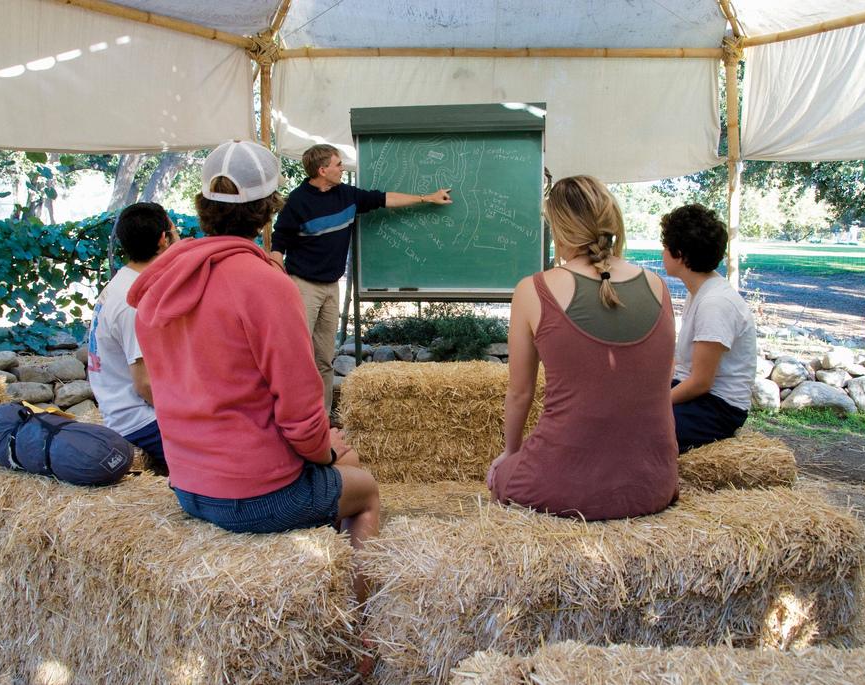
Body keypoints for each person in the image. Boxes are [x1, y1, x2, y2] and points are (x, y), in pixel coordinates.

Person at [127, 140, 380, 603]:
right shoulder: (265, 283)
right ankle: (363, 626)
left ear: (203, 205)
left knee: (340, 461)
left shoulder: (162, 282)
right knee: (362, 486)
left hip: (187, 483)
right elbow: (302, 418)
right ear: (269, 210)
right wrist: (325, 450)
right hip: (254, 494)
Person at [487, 175, 678, 521]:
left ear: (559, 232)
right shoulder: (658, 287)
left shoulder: (533, 289)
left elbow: (519, 392)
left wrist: (510, 454)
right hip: (654, 485)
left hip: (563, 488)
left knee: (500, 476)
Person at [270, 143, 453, 414]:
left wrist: (427, 197)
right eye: (338, 164)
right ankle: (291, 415)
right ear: (322, 170)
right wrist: (281, 282)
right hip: (303, 286)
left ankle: (322, 420)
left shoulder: (347, 195)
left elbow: (385, 198)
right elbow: (277, 245)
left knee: (324, 359)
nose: (343, 168)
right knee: (296, 356)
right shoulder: (297, 202)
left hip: (331, 286)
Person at [86, 202, 177, 472]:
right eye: (176, 231)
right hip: (140, 420)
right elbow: (145, 384)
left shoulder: (122, 283)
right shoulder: (135, 301)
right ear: (163, 240)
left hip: (122, 409)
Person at [661, 204, 756, 452]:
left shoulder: (715, 303)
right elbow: (683, 365)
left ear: (679, 254)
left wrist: (654, 404)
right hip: (697, 394)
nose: (662, 252)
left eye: (665, 246)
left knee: (643, 430)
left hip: (718, 406)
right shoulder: (701, 292)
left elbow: (701, 382)